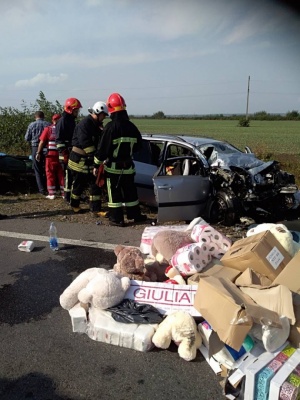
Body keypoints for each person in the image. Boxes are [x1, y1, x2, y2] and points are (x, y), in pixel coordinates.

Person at [93, 93, 147, 227]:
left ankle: (117, 219)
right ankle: (135, 215)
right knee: (131, 193)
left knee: (114, 195)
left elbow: (102, 150)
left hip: (113, 169)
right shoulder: (132, 127)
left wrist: (96, 165)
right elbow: (139, 146)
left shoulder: (110, 128)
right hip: (128, 167)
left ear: (110, 109)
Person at [68, 101, 108, 214]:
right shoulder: (84, 124)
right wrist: (96, 156)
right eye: (103, 115)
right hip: (79, 160)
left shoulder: (96, 125)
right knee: (78, 185)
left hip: (90, 160)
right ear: (97, 112)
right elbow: (86, 143)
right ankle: (74, 205)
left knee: (95, 184)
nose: (104, 117)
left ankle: (96, 209)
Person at [55, 97, 82, 202]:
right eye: (76, 110)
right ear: (70, 109)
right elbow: (59, 140)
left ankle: (71, 195)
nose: (77, 112)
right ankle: (66, 196)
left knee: (72, 175)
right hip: (65, 152)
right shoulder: (62, 121)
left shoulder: (71, 121)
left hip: (71, 151)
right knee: (68, 175)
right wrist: (64, 153)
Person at [35, 114, 64, 200]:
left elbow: (42, 142)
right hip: (62, 155)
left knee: (50, 174)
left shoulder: (48, 129)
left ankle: (52, 193)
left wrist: (38, 152)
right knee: (62, 174)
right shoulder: (64, 130)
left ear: (53, 120)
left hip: (50, 156)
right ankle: (64, 193)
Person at [24, 111, 51, 195]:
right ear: (43, 116)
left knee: (37, 169)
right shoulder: (48, 124)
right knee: (47, 168)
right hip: (47, 148)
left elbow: (27, 138)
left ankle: (42, 189)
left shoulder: (31, 125)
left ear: (35, 117)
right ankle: (50, 187)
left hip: (35, 147)